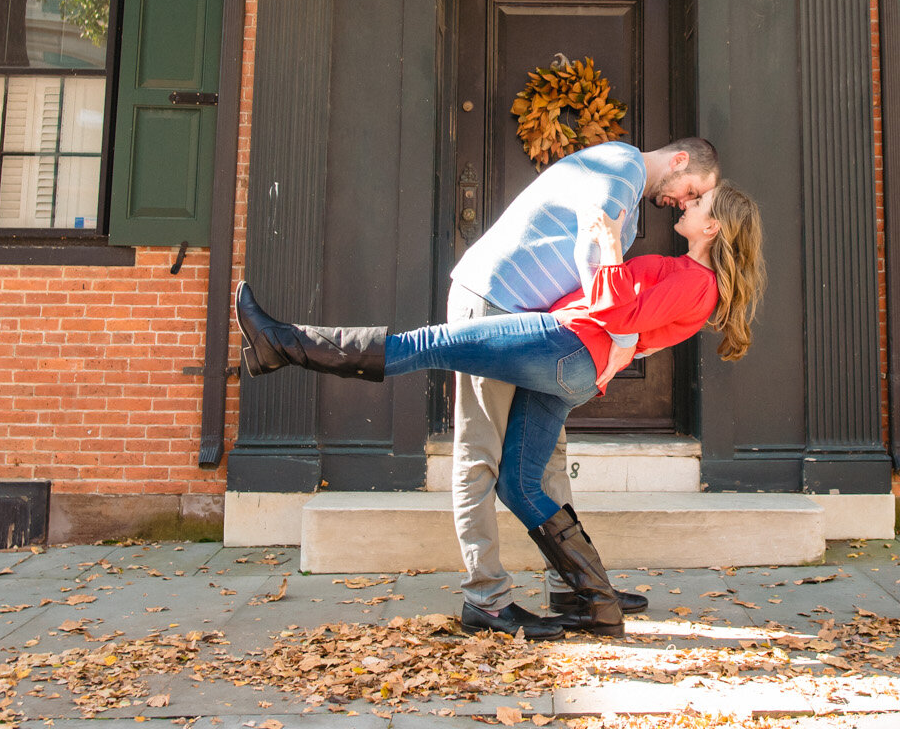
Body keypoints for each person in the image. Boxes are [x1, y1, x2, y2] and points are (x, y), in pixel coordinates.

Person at [233, 181, 766, 638]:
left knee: (427, 345)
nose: (688, 204)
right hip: (572, 360)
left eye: (700, 203)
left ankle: (284, 343)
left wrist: (607, 246)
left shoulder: (697, 284)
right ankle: (595, 601)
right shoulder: (688, 276)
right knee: (519, 483)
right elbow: (631, 323)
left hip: (565, 344)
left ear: (713, 228)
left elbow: (614, 309)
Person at [444, 136, 720, 637]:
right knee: (480, 454)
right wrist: (620, 340)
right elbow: (594, 246)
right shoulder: (619, 168)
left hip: (535, 323)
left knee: (546, 455)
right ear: (679, 160)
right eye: (692, 189)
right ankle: (485, 600)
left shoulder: (628, 191)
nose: (685, 201)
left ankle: (571, 585)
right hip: (492, 302)